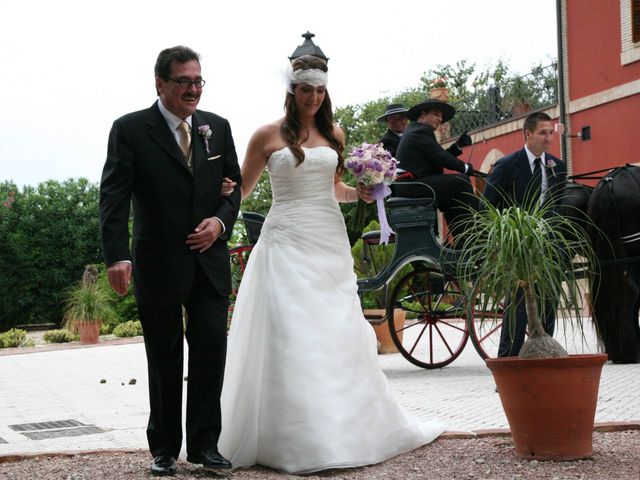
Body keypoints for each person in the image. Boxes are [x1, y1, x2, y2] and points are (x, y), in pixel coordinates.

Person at [217, 55, 445, 474]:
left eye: (320, 90)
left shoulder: (333, 133)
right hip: (285, 236)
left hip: (327, 236)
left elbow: (335, 186)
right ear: (293, 91)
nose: (314, 97)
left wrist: (358, 194)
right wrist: (223, 191)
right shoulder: (266, 135)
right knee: (290, 328)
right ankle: (288, 436)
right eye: (306, 90)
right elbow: (244, 190)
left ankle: (343, 428)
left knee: (332, 328)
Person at [99, 46, 242, 476]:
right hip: (158, 262)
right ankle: (163, 449)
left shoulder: (217, 128)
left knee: (210, 350)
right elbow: (114, 195)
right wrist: (117, 256)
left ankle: (205, 446)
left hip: (209, 262)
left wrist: (219, 222)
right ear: (160, 83)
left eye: (198, 81)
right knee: (163, 357)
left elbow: (233, 188)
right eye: (184, 81)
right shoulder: (130, 129)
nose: (193, 89)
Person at [483, 111, 567, 357]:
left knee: (549, 303)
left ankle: (543, 359)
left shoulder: (557, 167)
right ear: (527, 134)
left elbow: (557, 207)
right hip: (517, 248)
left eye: (551, 133)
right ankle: (509, 362)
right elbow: (486, 206)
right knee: (517, 310)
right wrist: (502, 240)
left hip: (549, 247)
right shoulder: (507, 165)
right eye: (543, 133)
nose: (549, 138)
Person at [395, 98, 476, 241]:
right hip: (413, 186)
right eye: (436, 114)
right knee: (460, 182)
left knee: (453, 194)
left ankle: (464, 240)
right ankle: (474, 235)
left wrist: (457, 146)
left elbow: (436, 157)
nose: (440, 119)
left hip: (415, 184)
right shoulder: (420, 131)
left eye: (441, 116)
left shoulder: (417, 130)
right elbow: (440, 156)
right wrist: (464, 167)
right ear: (423, 114)